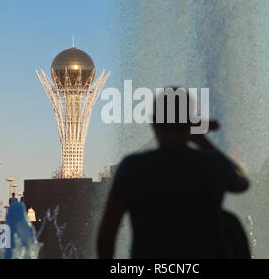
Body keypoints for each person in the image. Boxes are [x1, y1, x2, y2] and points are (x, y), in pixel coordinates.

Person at [97, 87, 250, 259]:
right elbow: (242, 183)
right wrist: (202, 140)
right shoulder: (212, 164)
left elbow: (106, 237)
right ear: (192, 122)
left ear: (153, 122)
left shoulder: (133, 167)